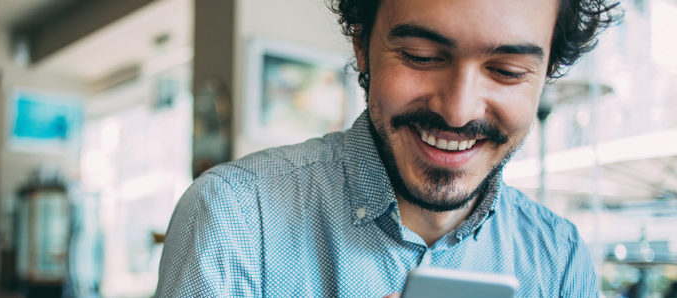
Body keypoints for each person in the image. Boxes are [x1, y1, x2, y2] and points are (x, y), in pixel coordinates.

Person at [156, 0, 620, 296]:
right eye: (422, 57)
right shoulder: (233, 217)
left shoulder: (558, 259)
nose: (457, 112)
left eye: (507, 70)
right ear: (361, 46)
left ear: (546, 74)